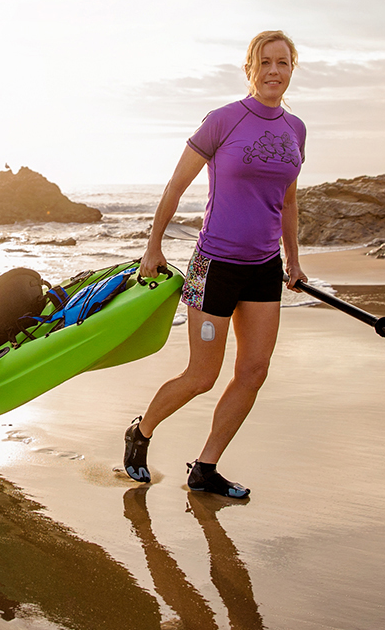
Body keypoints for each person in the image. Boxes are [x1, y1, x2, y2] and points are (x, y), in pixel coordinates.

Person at [123, 31, 307, 497]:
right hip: (214, 267)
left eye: (282, 63)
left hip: (263, 269)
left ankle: (205, 468)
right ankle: (140, 431)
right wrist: (153, 246)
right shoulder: (222, 121)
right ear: (250, 68)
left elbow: (288, 202)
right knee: (202, 376)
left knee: (253, 372)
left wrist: (294, 260)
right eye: (264, 62)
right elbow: (175, 185)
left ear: (292, 69)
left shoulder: (296, 129)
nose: (273, 71)